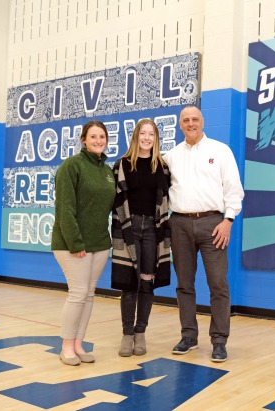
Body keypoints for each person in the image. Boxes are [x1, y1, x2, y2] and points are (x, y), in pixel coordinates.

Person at [164, 105, 244, 362]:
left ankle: (219, 340)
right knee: (184, 284)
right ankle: (188, 335)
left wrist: (228, 220)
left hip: (214, 224)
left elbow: (234, 189)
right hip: (179, 224)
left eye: (194, 119)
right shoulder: (171, 156)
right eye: (185, 120)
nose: (190, 123)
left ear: (203, 121)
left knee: (218, 283)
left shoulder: (220, 151)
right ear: (180, 124)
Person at [51, 120, 116, 366]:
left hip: (99, 243)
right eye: (93, 137)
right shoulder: (71, 166)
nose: (99, 141)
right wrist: (76, 243)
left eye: (102, 137)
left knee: (88, 294)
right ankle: (66, 346)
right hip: (72, 244)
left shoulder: (107, 171)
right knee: (77, 293)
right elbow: (65, 209)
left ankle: (79, 343)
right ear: (84, 140)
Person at [111, 118, 171, 357]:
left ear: (156, 139)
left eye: (151, 134)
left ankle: (140, 332)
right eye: (143, 133)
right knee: (129, 284)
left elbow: (167, 201)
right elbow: (114, 202)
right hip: (128, 226)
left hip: (153, 230)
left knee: (147, 281)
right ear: (135, 136)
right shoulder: (122, 165)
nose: (147, 138)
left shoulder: (162, 166)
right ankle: (127, 333)